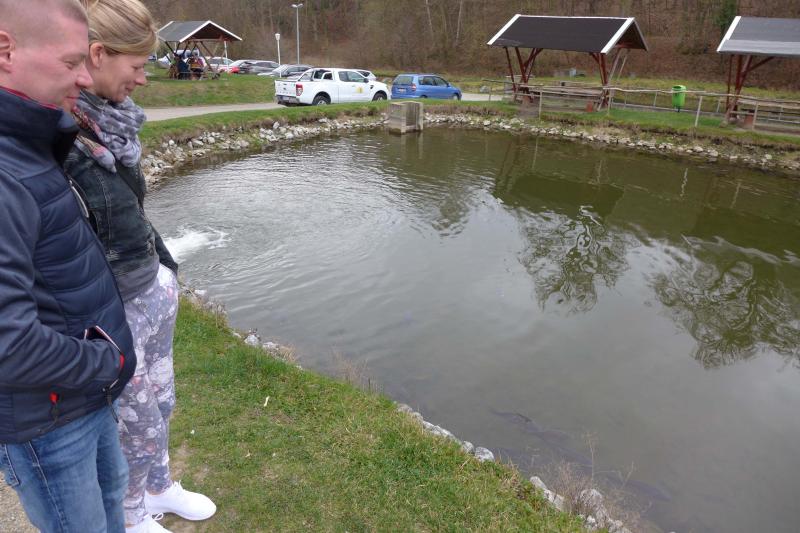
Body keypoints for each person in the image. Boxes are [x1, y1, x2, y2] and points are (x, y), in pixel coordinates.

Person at [65, 1, 216, 532]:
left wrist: (165, 268)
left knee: (163, 405)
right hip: (116, 312)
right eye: (137, 65)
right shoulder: (63, 138)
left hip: (151, 291)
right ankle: (130, 517)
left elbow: (128, 213)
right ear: (98, 55)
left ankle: (158, 489)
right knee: (137, 422)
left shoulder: (112, 125)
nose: (144, 79)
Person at [0, 1, 137, 532]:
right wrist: (104, 362)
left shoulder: (29, 142)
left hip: (79, 397)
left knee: (112, 504)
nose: (84, 77)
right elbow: (8, 343)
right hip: (49, 417)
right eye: (70, 62)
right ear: (6, 51)